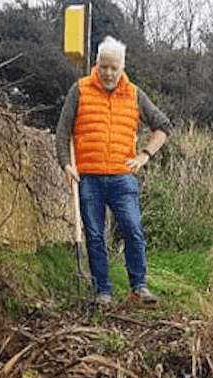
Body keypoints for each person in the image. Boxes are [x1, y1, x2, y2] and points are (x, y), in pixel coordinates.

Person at [55, 36, 172, 307]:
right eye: (104, 66)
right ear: (97, 64)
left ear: (122, 67)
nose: (108, 73)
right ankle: (103, 292)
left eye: (114, 68)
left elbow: (163, 126)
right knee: (95, 234)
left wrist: (144, 155)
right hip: (89, 177)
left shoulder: (133, 94)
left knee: (133, 229)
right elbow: (62, 132)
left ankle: (138, 287)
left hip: (123, 176)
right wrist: (65, 164)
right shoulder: (80, 90)